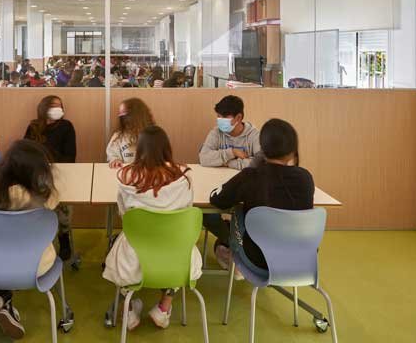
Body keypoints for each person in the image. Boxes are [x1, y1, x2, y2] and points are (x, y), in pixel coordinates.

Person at [103, 126, 201, 330]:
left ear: (139, 149)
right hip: (176, 256)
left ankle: (128, 311)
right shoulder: (183, 177)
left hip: (136, 253)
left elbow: (124, 214)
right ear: (167, 148)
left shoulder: (125, 176)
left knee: (115, 246)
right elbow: (186, 210)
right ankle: (164, 308)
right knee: (183, 246)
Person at [0, 140, 62, 340]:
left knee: (6, 253)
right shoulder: (43, 197)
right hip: (37, 266)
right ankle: (3, 300)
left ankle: (2, 298)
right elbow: (55, 201)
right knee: (31, 250)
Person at [207, 119, 314, 271]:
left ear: (262, 148)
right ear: (292, 151)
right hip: (300, 258)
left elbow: (217, 199)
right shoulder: (305, 178)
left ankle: (233, 259)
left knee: (232, 213)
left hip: (258, 259)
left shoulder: (251, 176)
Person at [24, 95, 77, 261]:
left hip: (58, 173)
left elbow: (70, 156)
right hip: (35, 174)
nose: (58, 109)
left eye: (60, 106)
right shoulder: (33, 127)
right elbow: (25, 151)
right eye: (54, 105)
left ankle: (64, 239)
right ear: (44, 108)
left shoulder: (66, 126)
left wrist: (49, 158)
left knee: (61, 206)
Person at [198, 95, 262, 170]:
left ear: (238, 117)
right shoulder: (216, 133)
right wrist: (232, 152)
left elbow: (261, 163)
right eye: (218, 116)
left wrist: (228, 163)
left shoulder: (254, 135)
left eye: (225, 117)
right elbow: (203, 158)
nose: (220, 120)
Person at [106, 98, 155, 168]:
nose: (125, 121)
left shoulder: (153, 135)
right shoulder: (118, 136)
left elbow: (160, 155)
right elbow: (111, 153)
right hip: (124, 172)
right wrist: (115, 160)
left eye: (128, 117)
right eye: (122, 118)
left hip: (147, 172)